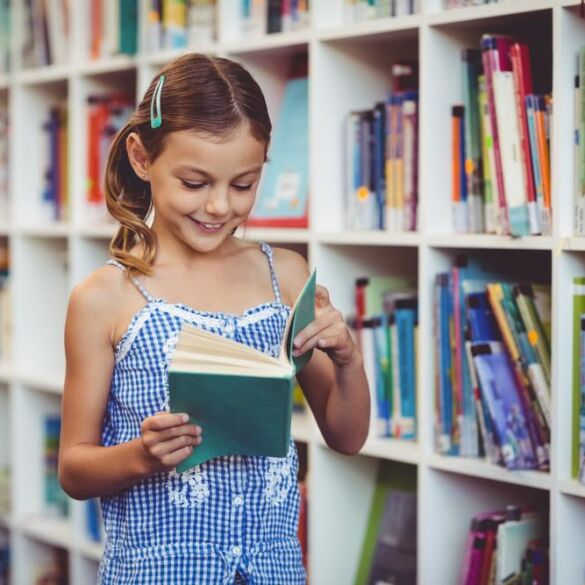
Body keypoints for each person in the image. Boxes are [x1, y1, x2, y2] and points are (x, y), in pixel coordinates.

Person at [58, 53, 370, 585]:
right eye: (195, 183)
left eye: (244, 185)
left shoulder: (286, 277)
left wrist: (348, 359)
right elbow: (74, 468)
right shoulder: (105, 298)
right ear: (140, 157)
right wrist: (141, 456)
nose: (220, 207)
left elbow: (346, 436)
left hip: (275, 571)